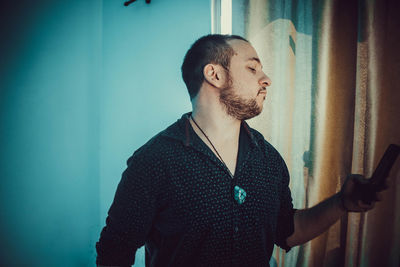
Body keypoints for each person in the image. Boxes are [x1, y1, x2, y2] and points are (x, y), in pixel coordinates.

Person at [96, 34, 384, 267]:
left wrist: (340, 203)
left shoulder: (269, 160)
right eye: (252, 67)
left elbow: (287, 231)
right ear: (215, 75)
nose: (266, 79)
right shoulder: (155, 161)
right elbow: (114, 253)